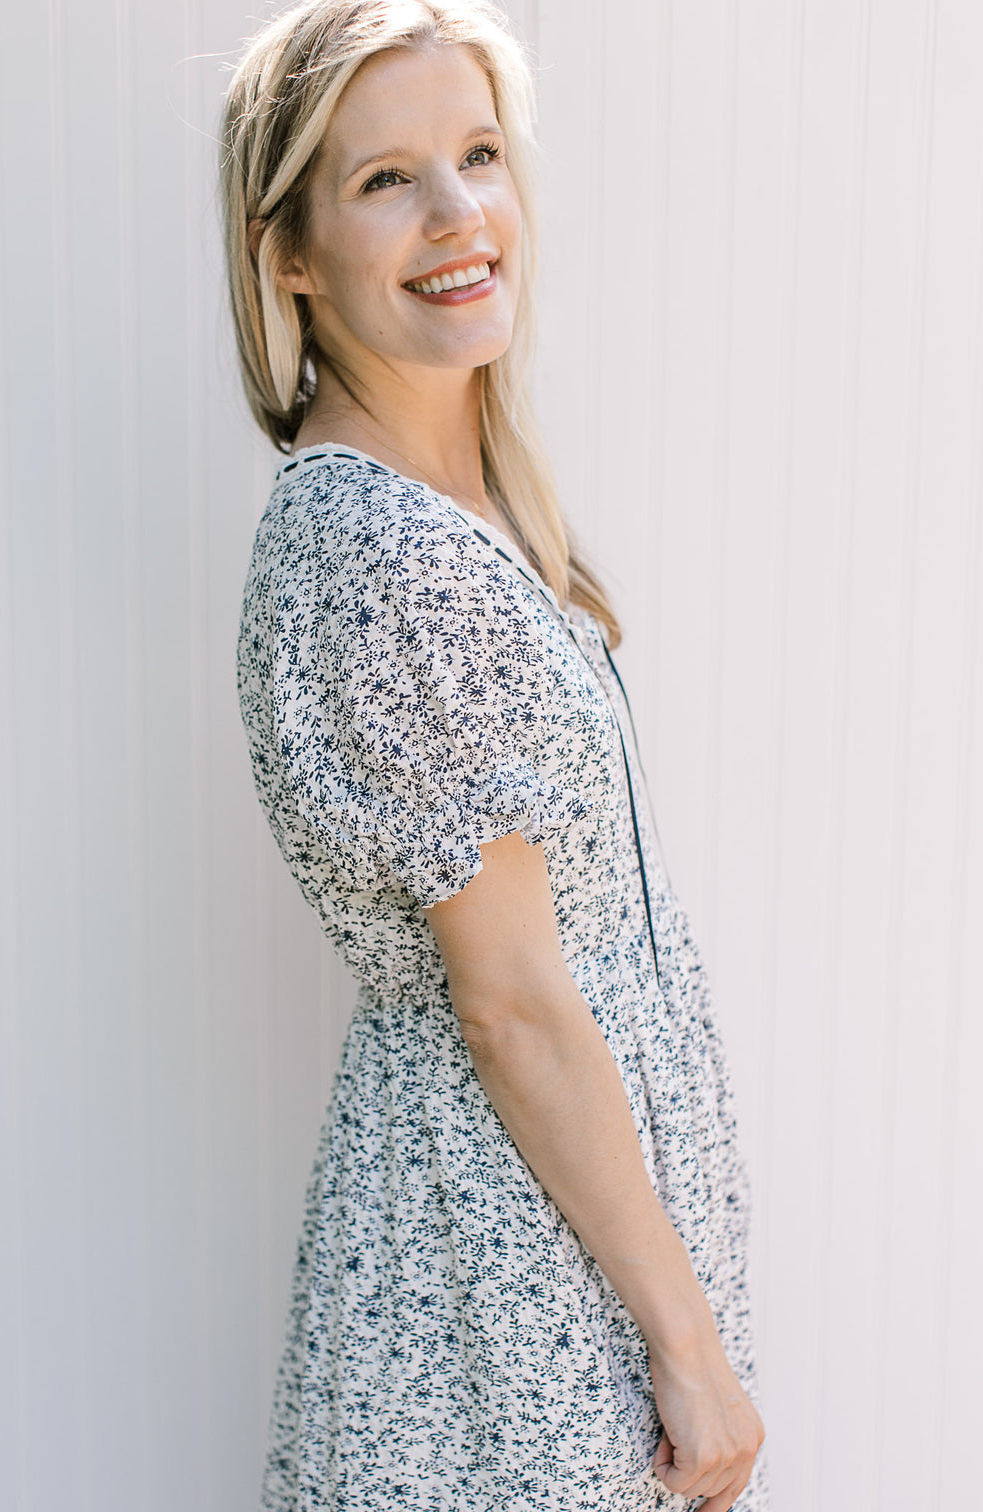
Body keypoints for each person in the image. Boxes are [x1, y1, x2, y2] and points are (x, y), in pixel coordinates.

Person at [220, 2, 770, 1507]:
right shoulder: (386, 554)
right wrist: (691, 1346)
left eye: (476, 152)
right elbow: (515, 1001)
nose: (462, 214)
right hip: (502, 1271)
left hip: (560, 1244)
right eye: (386, 178)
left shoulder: (465, 511)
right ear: (289, 253)